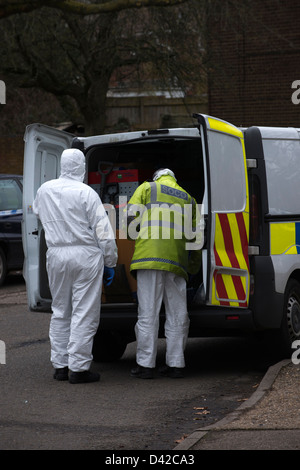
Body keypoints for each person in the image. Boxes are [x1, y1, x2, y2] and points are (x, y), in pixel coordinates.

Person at [33, 148, 118, 384]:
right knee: (84, 312)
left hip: (57, 254)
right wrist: (110, 261)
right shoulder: (86, 192)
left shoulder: (44, 190)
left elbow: (39, 214)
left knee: (60, 311)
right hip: (85, 255)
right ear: (81, 167)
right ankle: (78, 369)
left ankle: (60, 366)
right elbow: (104, 232)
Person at [125, 168, 202, 379]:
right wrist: (193, 267)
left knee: (148, 312)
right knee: (177, 313)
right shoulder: (189, 198)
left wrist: (136, 238)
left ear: (157, 177)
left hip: (148, 259)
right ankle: (176, 364)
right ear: (174, 180)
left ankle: (145, 365)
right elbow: (196, 238)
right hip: (176, 262)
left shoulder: (147, 188)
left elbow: (130, 217)